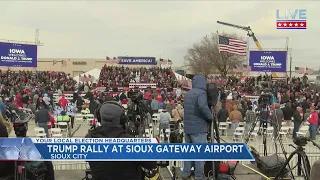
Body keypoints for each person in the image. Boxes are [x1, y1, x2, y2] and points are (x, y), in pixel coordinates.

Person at [85, 101, 157, 180]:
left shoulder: (89, 139)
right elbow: (151, 164)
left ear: (99, 117)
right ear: (123, 119)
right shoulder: (131, 143)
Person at [182, 75, 212, 180]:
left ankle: (185, 173)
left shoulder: (188, 93)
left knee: (188, 152)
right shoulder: (201, 93)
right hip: (198, 128)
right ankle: (199, 176)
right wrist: (210, 117)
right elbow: (203, 106)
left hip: (188, 128)